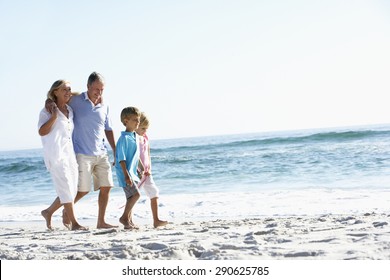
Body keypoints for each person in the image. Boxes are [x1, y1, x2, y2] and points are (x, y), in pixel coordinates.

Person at [47, 72, 117, 229]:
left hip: (101, 152)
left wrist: (115, 149)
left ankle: (101, 222)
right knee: (82, 190)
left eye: (102, 89)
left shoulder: (104, 105)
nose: (99, 92)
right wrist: (48, 103)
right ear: (88, 86)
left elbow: (109, 129)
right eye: (96, 89)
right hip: (82, 153)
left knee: (106, 187)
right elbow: (56, 99)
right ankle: (60, 211)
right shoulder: (76, 100)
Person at [38, 80, 87, 231]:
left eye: (69, 89)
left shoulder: (70, 110)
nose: (68, 92)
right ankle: (74, 223)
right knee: (66, 188)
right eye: (64, 89)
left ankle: (48, 212)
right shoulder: (46, 111)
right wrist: (53, 116)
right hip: (55, 155)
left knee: (71, 190)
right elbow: (42, 131)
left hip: (69, 155)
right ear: (55, 92)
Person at [135, 112, 168, 228]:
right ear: (136, 126)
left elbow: (147, 154)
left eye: (146, 129)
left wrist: (149, 168)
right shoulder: (133, 138)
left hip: (147, 172)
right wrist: (141, 169)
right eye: (143, 128)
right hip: (136, 171)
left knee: (154, 192)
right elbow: (135, 155)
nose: (145, 131)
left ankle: (156, 219)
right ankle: (127, 219)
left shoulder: (145, 138)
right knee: (133, 196)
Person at [115, 107, 141, 229]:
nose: (138, 122)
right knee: (136, 195)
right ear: (126, 121)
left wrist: (139, 169)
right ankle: (124, 217)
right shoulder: (124, 138)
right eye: (135, 120)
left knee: (130, 197)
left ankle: (129, 221)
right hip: (125, 173)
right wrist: (126, 175)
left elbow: (135, 156)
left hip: (132, 173)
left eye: (138, 120)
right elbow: (121, 158)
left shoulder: (134, 136)